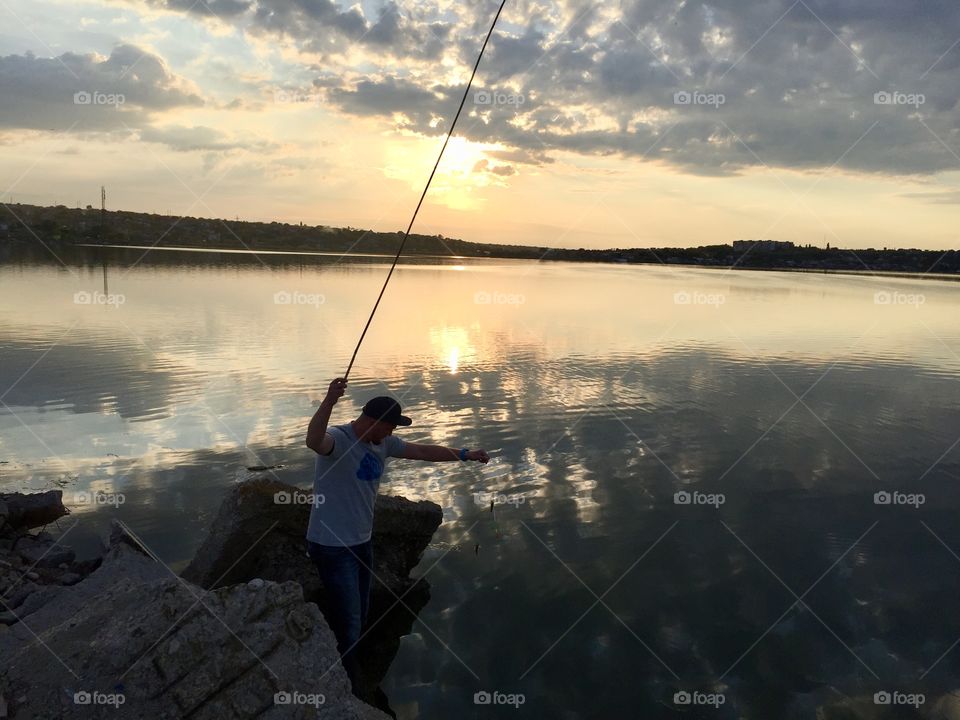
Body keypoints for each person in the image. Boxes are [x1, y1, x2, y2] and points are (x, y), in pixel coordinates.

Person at [304, 377, 489, 694]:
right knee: (348, 622)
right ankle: (346, 689)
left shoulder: (383, 444)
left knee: (359, 615)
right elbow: (313, 440)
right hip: (332, 546)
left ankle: (345, 672)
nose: (392, 432)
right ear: (374, 421)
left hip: (361, 543)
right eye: (389, 426)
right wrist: (329, 400)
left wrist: (464, 454)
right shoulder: (337, 440)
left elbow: (423, 451)